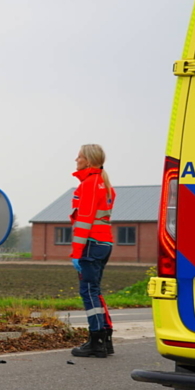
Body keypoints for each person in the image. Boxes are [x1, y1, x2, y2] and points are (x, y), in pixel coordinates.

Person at [69, 144, 116, 358]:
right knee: (95, 290)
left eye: (79, 156)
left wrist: (76, 252)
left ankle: (96, 340)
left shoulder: (89, 183)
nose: (76, 160)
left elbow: (84, 220)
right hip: (104, 243)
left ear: (88, 161)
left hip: (91, 243)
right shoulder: (105, 184)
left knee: (88, 292)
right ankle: (105, 338)